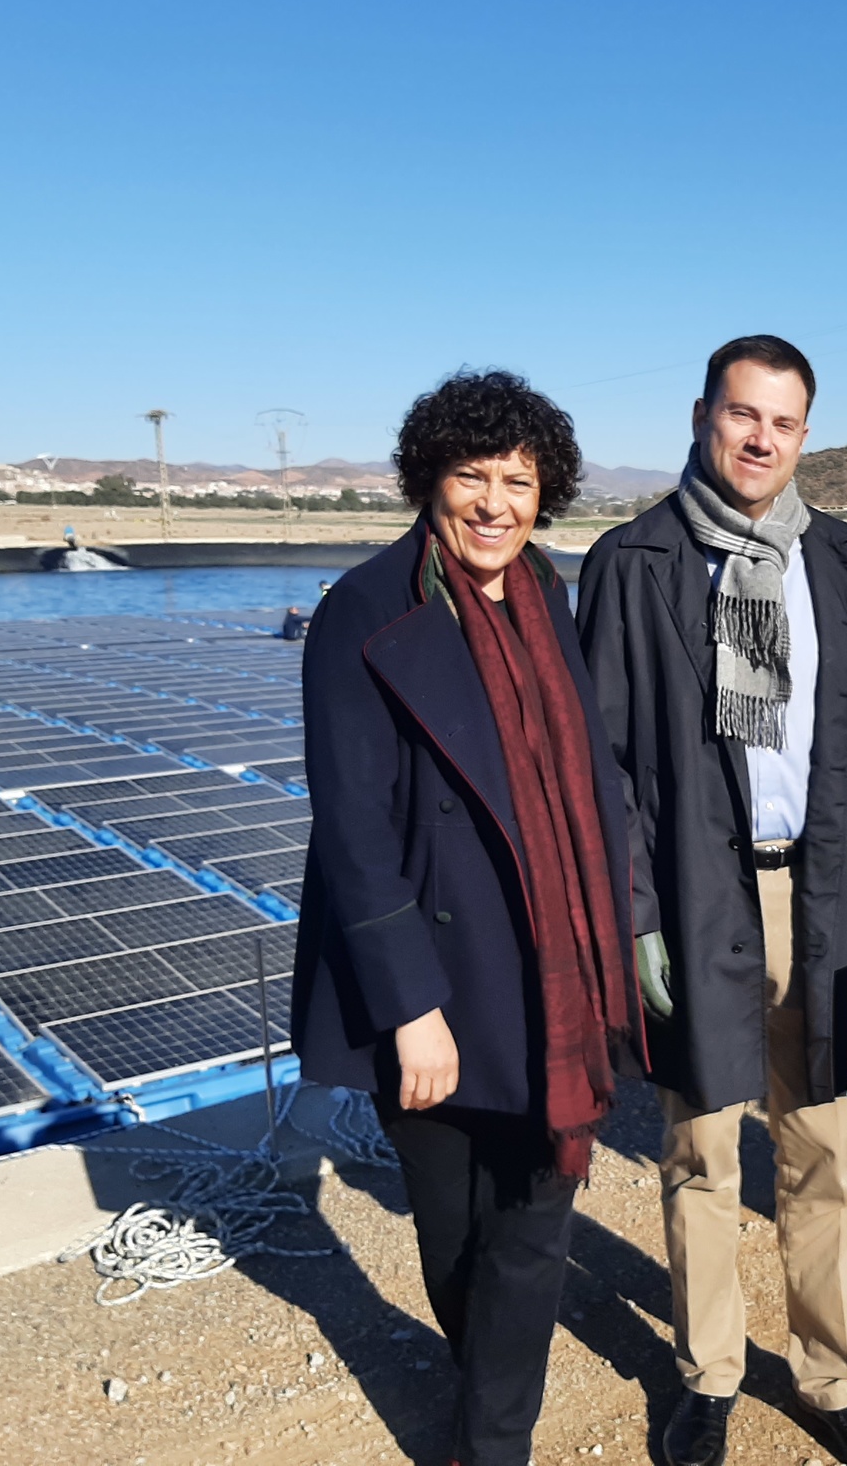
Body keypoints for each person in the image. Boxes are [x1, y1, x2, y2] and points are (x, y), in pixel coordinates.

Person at [578, 335, 847, 1466]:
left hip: (823, 900)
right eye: (741, 415)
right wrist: (634, 914)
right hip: (696, 900)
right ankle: (709, 1374)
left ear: (804, 434)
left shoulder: (839, 558)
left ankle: (832, 1382)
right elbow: (607, 769)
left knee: (823, 1155)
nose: (758, 439)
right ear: (701, 416)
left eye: (781, 421)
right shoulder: (634, 562)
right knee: (699, 1158)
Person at [291, 368, 646, 1466]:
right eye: (471, 476)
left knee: (533, 1225)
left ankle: (492, 1444)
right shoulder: (364, 611)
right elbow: (352, 829)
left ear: (546, 494)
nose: (495, 502)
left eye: (519, 480)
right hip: (435, 981)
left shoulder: (546, 590)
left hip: (553, 970)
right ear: (426, 480)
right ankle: (484, 1386)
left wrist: (629, 925)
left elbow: (585, 777)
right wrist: (411, 1009)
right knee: (452, 1237)